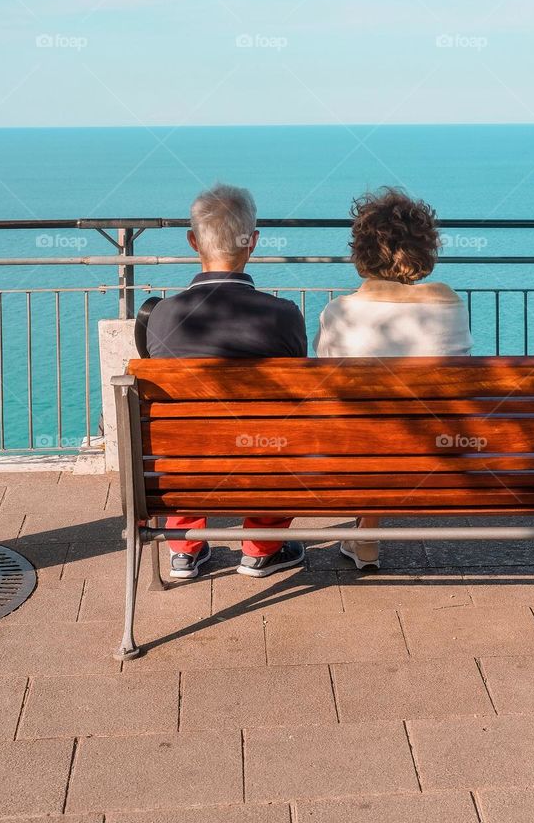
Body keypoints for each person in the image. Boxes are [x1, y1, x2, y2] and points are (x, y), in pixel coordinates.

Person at [146, 183, 307, 580]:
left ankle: (184, 549)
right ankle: (261, 550)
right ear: (252, 241)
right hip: (261, 463)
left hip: (184, 470)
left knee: (180, 439)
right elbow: (297, 399)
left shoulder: (160, 316)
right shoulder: (283, 316)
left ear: (192, 241)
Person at [314, 186, 472, 569]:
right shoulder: (453, 308)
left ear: (362, 252)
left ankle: (366, 535)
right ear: (424, 250)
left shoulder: (339, 313)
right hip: (440, 449)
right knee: (392, 426)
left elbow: (325, 387)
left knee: (365, 427)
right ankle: (364, 535)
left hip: (357, 453)